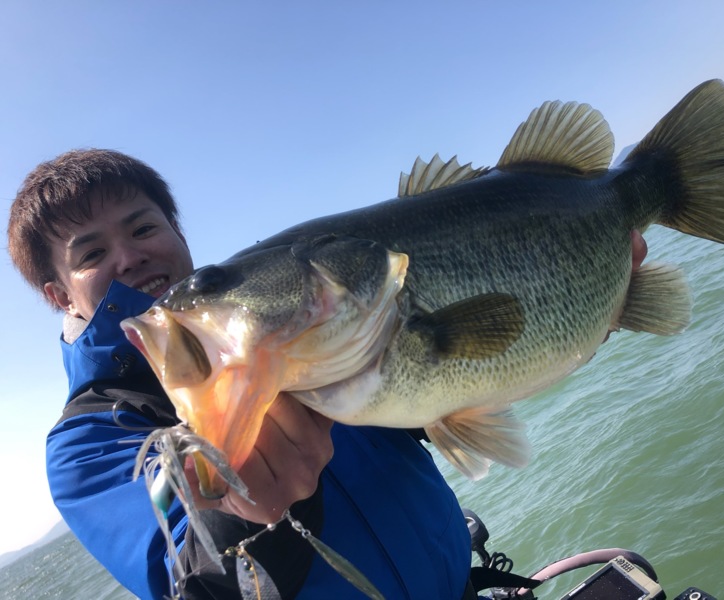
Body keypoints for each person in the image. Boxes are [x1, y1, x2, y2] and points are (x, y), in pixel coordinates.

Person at [7, 149, 648, 600]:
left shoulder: (292, 330)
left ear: (176, 231)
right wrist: (247, 518)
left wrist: (563, 316)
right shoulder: (88, 444)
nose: (129, 255)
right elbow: (190, 582)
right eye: (91, 252)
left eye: (143, 226)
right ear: (60, 295)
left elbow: (427, 408)